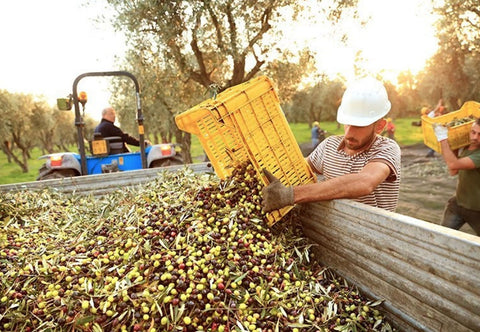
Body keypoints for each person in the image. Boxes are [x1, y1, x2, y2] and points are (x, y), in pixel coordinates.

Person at [262, 77, 401, 213]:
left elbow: (365, 182)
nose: (348, 133)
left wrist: (289, 195)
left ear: (380, 126)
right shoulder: (329, 145)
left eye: (359, 126)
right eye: (347, 123)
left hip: (373, 234)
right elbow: (299, 168)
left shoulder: (387, 148)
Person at [433, 119, 480, 235]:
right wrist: (453, 145)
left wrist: (442, 138)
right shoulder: (467, 146)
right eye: (473, 132)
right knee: (443, 236)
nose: (475, 137)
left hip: (477, 210)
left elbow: (453, 164)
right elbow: (453, 171)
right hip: (458, 204)